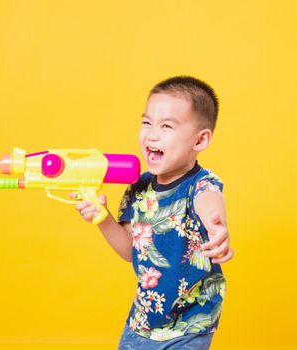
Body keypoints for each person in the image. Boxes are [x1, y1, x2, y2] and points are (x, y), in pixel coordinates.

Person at [73, 76, 234, 349]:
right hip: (144, 320)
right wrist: (102, 217)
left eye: (167, 126)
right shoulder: (139, 186)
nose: (152, 134)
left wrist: (216, 226)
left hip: (190, 323)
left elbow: (210, 201)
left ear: (200, 140)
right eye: (146, 122)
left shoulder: (201, 185)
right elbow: (130, 251)